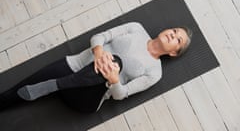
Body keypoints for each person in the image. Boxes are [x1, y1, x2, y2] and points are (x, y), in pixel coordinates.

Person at [0, 22, 192, 112]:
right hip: (72, 67)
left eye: (177, 39)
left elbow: (120, 94)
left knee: (116, 62)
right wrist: (99, 55)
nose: (172, 35)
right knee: (17, 91)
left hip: (87, 96)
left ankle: (57, 84)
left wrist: (113, 78)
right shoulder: (136, 28)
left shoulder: (155, 72)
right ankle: (59, 84)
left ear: (174, 52)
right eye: (174, 31)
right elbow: (99, 37)